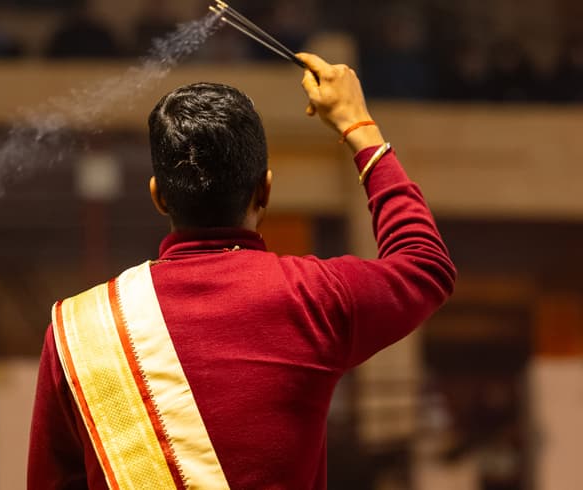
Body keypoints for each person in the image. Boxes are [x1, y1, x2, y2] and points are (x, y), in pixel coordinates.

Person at [28, 52, 456, 489]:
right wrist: (359, 126)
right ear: (264, 191)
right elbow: (426, 265)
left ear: (158, 197)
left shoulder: (78, 331)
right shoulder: (311, 298)